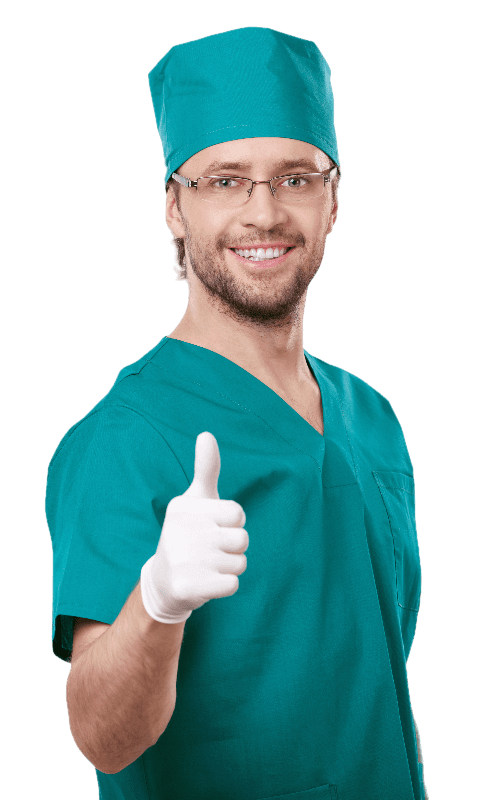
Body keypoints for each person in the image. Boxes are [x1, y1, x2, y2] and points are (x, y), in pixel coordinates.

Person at [45, 27, 429, 800]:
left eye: (295, 177)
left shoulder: (372, 417)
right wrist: (159, 601)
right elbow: (101, 737)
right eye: (224, 180)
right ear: (174, 208)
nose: (264, 212)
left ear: (332, 200)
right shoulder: (126, 438)